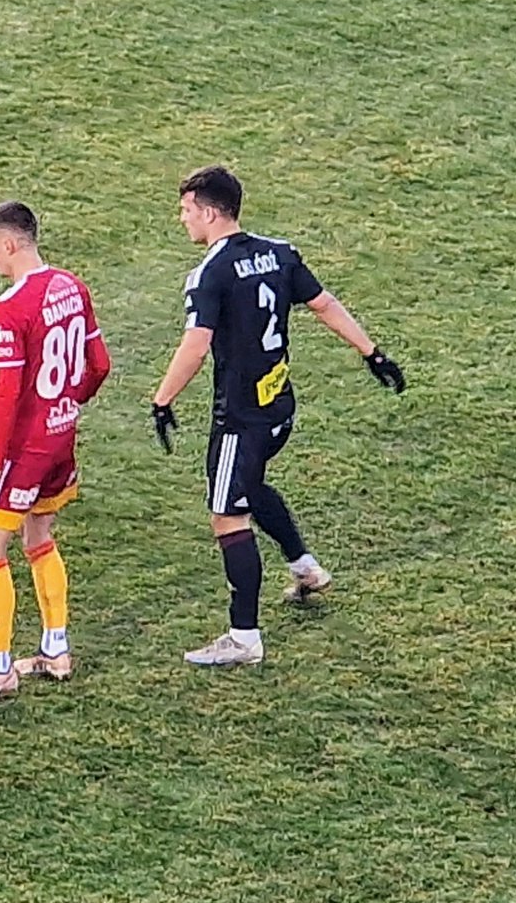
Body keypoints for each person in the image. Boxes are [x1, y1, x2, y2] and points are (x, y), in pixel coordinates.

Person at [151, 165, 406, 667]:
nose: (182, 219)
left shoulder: (210, 273)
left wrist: (162, 400)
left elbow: (196, 346)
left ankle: (243, 637)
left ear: (209, 212)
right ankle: (306, 567)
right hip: (278, 407)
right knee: (250, 484)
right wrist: (372, 353)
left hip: (241, 418)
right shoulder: (280, 252)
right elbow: (324, 304)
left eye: (186, 210)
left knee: (227, 515)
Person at [0, 202, 111, 711]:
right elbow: (99, 365)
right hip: (62, 439)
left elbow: (6, 394)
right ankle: (55, 649)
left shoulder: (11, 307)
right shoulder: (72, 286)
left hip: (25, 451)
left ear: (9, 243)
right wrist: (68, 402)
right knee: (39, 537)